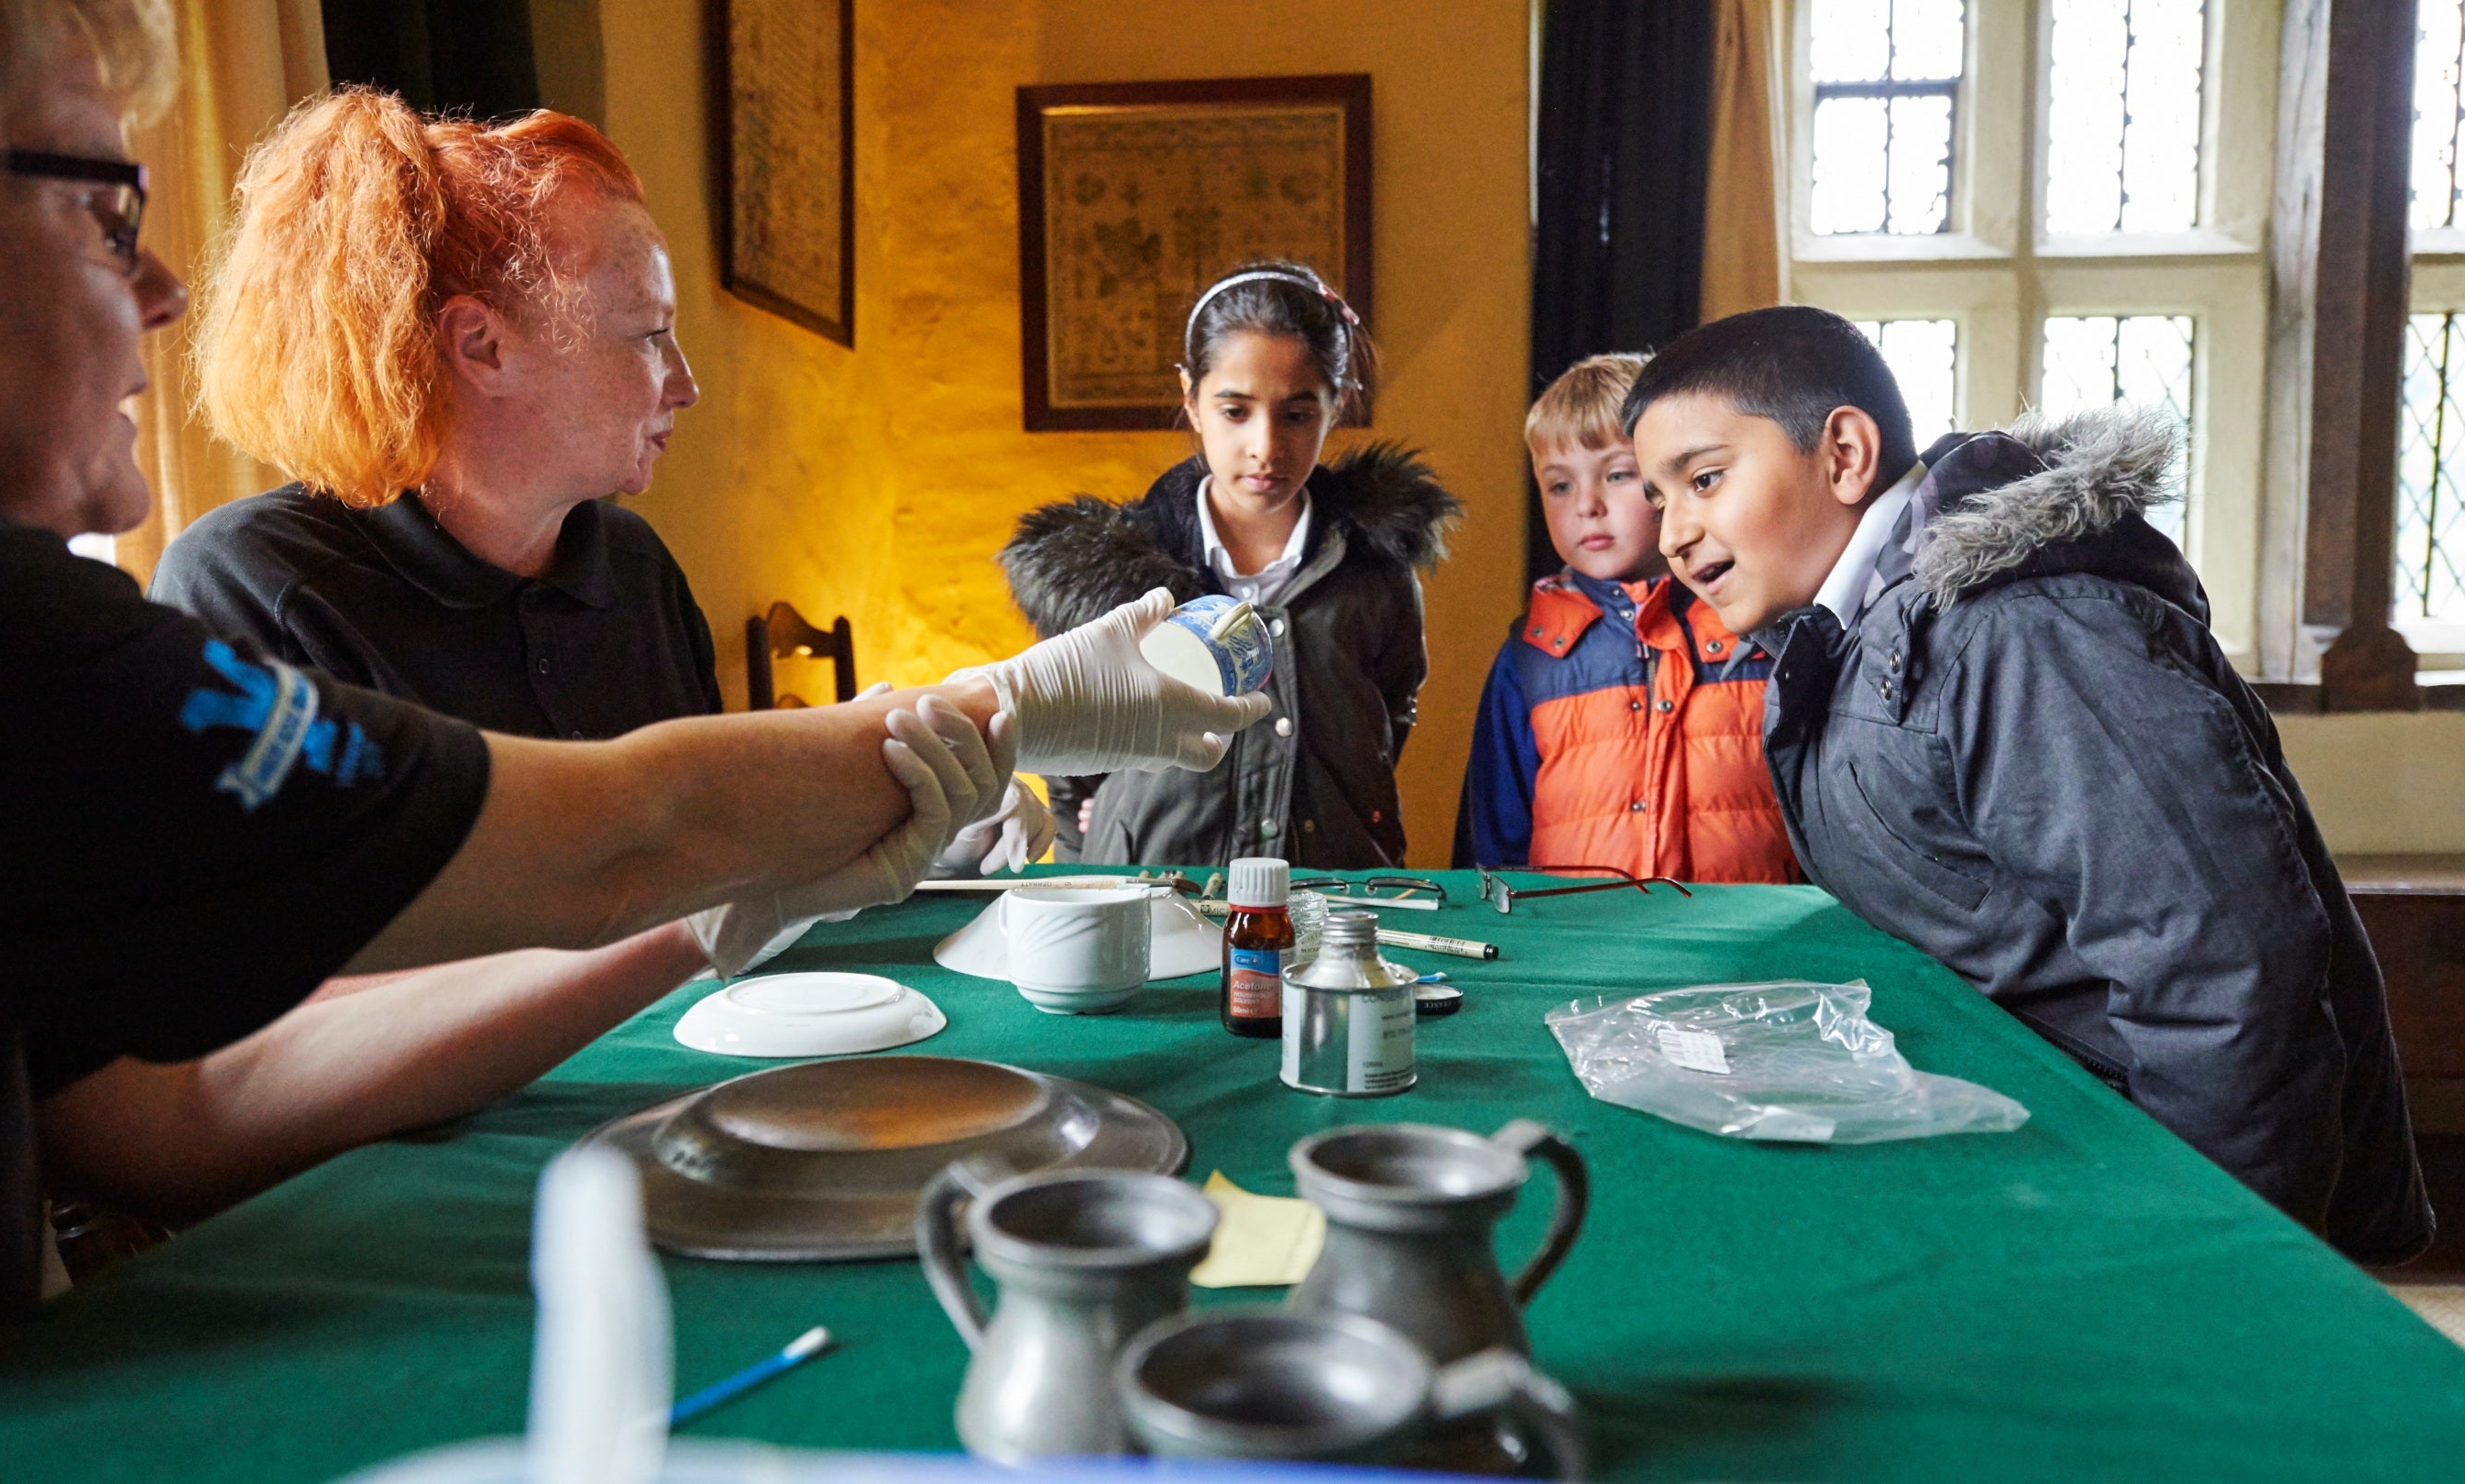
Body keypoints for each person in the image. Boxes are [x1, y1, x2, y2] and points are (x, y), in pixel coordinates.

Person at [0, 0, 1264, 1400]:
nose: (163, 289)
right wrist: (996, 711)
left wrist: (733, 892)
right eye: (104, 208)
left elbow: (164, 1115)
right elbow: (616, 836)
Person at [1622, 304, 2433, 1261]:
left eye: (1703, 480)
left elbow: (2220, 971)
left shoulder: (2027, 633)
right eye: (1658, 497)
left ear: (1842, 452)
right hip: (2051, 1161)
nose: (1671, 536)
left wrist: (2209, 1261)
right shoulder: (1855, 636)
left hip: (2157, 1197)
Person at [148, 90, 1044, 877]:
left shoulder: (634, 566)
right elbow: (299, 970)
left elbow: (704, 865)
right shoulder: (251, 588)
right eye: (649, 334)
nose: (685, 385)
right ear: (482, 347)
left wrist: (909, 825)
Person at [1000, 261, 1461, 867]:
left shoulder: (1375, 566)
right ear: (1191, 399)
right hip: (1154, 895)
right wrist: (1107, 836)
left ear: (1339, 404)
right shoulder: (1112, 575)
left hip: (1330, 893)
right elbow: (1072, 749)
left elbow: (1390, 709)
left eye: (1297, 415)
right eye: (1235, 411)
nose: (1266, 447)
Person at [1453, 354, 1794, 879]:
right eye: (1560, 485)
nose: (1587, 505)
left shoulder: (1760, 630)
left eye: (1617, 474)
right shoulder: (1530, 656)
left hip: (1754, 951)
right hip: (1577, 951)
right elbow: (1493, 843)